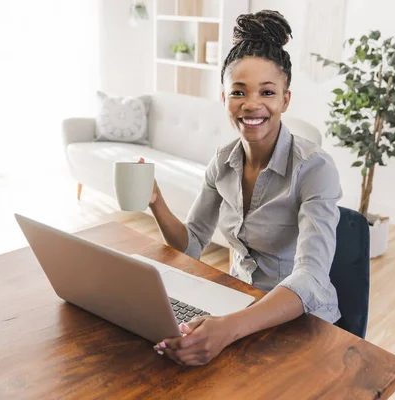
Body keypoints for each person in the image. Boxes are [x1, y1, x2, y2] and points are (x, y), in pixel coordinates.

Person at [145, 10, 342, 366]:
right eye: (239, 92)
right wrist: (156, 202)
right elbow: (190, 245)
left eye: (267, 92)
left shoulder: (315, 167)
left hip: (298, 322)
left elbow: (311, 277)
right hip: (236, 305)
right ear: (224, 99)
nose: (252, 104)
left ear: (285, 99)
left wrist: (227, 329)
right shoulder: (222, 161)